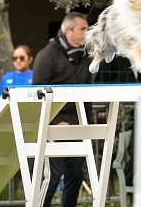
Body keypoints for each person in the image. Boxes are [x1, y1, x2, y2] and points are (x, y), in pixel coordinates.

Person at [32, 12, 93, 207]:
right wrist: (56, 121)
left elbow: (87, 95)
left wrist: (85, 125)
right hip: (51, 126)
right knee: (52, 177)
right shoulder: (46, 55)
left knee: (75, 176)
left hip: (77, 126)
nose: (87, 32)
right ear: (68, 31)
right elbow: (36, 95)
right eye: (82, 29)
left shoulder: (85, 56)